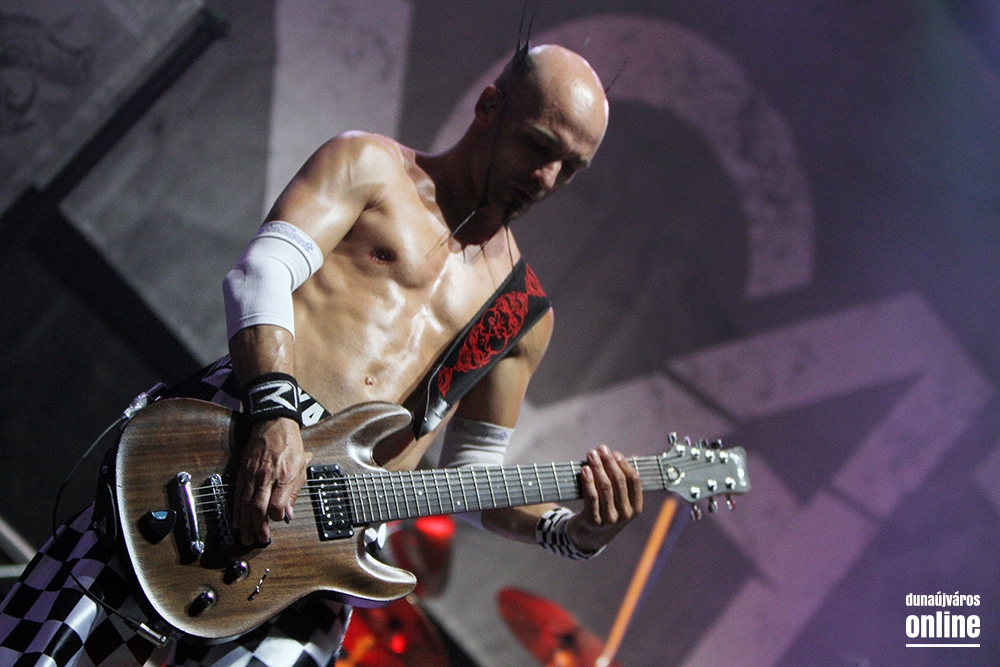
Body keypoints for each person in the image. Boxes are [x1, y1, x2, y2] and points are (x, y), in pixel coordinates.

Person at [0, 44, 642, 667]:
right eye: (538, 146)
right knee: (48, 647)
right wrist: (274, 415)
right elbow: (262, 272)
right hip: (226, 447)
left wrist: (572, 533)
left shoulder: (523, 312)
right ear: (489, 106)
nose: (546, 178)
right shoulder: (372, 167)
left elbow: (474, 477)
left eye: (570, 168)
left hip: (331, 541)